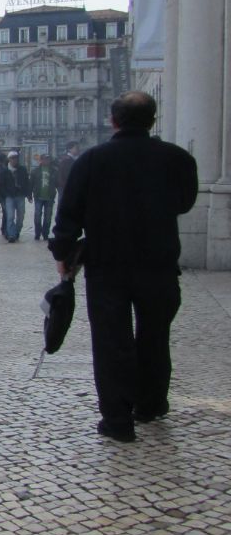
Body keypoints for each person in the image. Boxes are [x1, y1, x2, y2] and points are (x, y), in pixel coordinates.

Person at [48, 91, 198, 443]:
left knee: (111, 340)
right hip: (158, 262)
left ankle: (117, 419)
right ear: (153, 120)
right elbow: (184, 202)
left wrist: (63, 253)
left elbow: (69, 211)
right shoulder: (177, 159)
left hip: (107, 265)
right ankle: (150, 403)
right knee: (155, 336)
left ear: (113, 121)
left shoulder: (92, 160)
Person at [0, 151, 32, 243]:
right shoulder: (4, 171)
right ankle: (11, 235)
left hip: (20, 196)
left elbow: (27, 182)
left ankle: (17, 231)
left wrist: (29, 194)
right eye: (12, 158)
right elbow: (0, 185)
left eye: (16, 158)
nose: (14, 160)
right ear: (9, 159)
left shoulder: (22, 169)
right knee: (10, 216)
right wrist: (4, 195)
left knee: (20, 217)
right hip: (9, 196)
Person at [30, 153, 57, 241]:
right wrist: (29, 195)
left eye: (48, 159)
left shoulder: (54, 171)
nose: (47, 161)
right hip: (38, 196)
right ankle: (37, 233)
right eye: (45, 159)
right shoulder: (35, 171)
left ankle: (45, 233)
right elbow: (31, 183)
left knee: (48, 216)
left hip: (49, 197)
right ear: (41, 160)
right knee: (37, 215)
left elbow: (57, 183)